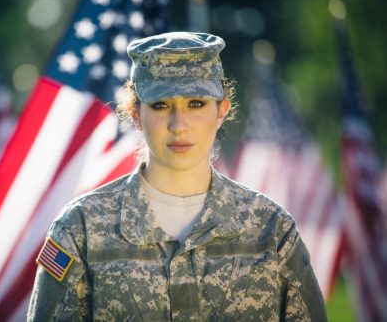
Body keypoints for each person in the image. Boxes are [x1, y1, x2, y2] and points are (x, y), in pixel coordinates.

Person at [27, 31, 327, 321]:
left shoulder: (270, 230)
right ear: (135, 115)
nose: (179, 124)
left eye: (196, 103)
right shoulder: (83, 229)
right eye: (160, 105)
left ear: (222, 110)